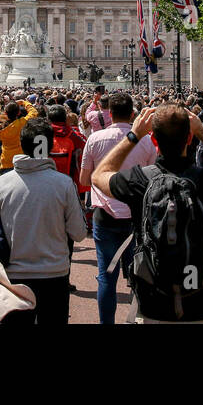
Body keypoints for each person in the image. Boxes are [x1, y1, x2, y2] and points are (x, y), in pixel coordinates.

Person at [91, 104, 203, 323]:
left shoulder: (139, 180)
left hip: (153, 302)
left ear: (154, 140)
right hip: (202, 300)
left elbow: (99, 175)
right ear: (189, 138)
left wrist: (134, 135)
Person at [0, 117, 87, 324]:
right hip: (55, 273)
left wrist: (1, 240)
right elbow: (79, 233)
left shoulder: (2, 183)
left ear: (22, 144)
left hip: (13, 275)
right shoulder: (64, 184)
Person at [77, 91, 154, 324]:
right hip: (137, 217)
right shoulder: (147, 140)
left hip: (105, 215)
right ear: (132, 114)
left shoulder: (95, 139)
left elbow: (83, 180)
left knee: (106, 277)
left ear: (109, 113)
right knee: (140, 275)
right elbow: (152, 178)